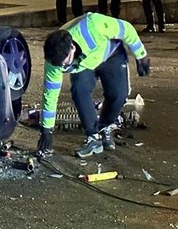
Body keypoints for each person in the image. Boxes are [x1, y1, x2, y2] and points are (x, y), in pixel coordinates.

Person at [37, 13, 150, 159]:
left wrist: (141, 55)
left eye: (65, 63)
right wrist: (47, 130)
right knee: (79, 89)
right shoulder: (54, 61)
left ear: (71, 47)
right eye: (60, 65)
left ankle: (105, 126)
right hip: (83, 66)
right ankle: (93, 136)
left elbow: (126, 29)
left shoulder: (93, 26)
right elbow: (50, 95)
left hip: (111, 54)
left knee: (118, 95)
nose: (62, 68)